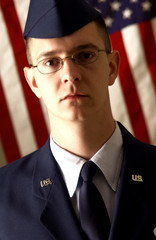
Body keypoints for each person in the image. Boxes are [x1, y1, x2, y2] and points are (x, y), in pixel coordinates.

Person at [0, 0, 156, 239]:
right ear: (33, 82)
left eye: (85, 55)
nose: (70, 75)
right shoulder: (3, 196)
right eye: (51, 62)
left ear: (112, 67)